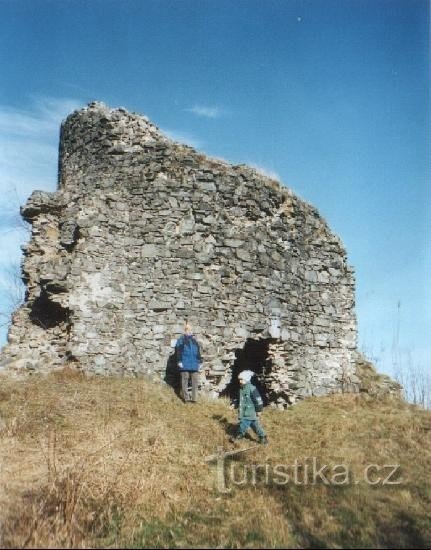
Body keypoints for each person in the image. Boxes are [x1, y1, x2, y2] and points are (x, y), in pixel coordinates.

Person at [230, 370, 268, 445]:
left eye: (242, 379)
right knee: (255, 425)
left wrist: (259, 410)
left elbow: (258, 400)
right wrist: (233, 404)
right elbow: (238, 398)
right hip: (244, 411)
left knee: (243, 424)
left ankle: (238, 435)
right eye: (239, 379)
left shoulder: (252, 389)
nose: (240, 381)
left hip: (250, 412)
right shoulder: (241, 389)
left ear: (247, 379)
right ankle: (262, 436)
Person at [175, 323, 203, 403]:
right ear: (185, 331)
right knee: (185, 380)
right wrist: (179, 361)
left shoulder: (194, 341)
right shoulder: (181, 340)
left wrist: (200, 361)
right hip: (185, 363)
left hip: (194, 364)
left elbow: (198, 352)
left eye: (191, 330)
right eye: (188, 330)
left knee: (195, 381)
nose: (190, 331)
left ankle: (194, 399)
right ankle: (186, 398)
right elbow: (178, 351)